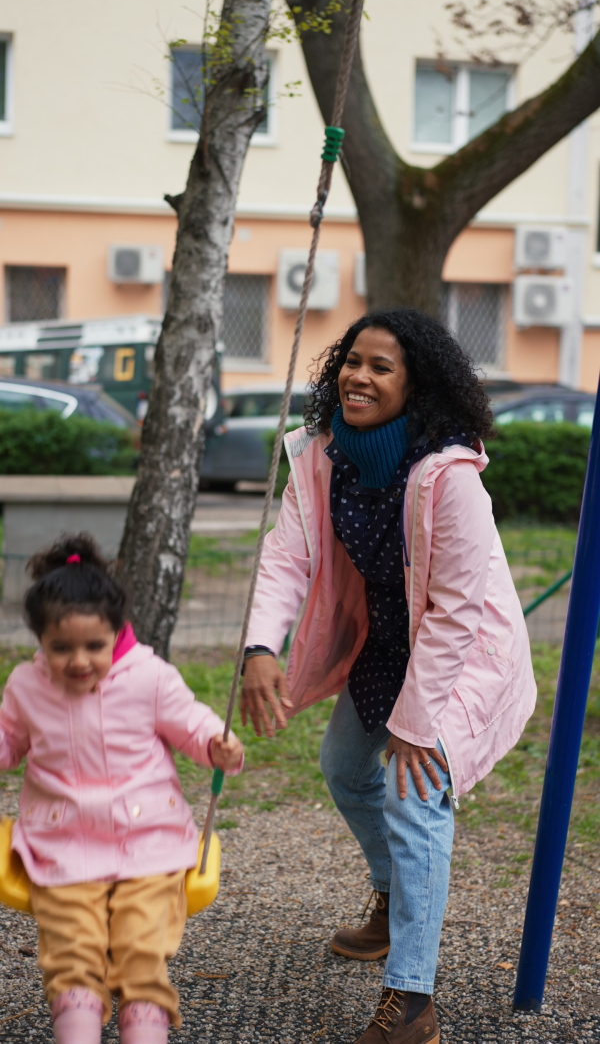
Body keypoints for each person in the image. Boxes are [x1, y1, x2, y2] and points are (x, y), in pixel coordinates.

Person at [241, 308, 536, 1044]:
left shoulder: (448, 474)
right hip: (389, 639)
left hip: (460, 651)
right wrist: (258, 647)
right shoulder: (322, 455)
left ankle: (412, 1000)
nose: (358, 376)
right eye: (351, 360)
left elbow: (458, 609)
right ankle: (391, 893)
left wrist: (415, 725)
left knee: (415, 794)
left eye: (381, 366)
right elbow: (286, 556)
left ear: (417, 385)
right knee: (343, 766)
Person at [0, 533, 243, 1044]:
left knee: (140, 949)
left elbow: (191, 723)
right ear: (39, 641)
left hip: (149, 843)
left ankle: (143, 1025)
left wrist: (215, 744)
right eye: (60, 648)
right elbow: (7, 740)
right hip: (63, 847)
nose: (79, 661)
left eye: (94, 646)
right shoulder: (26, 686)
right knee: (71, 953)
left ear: (117, 633)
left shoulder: (149, 677)